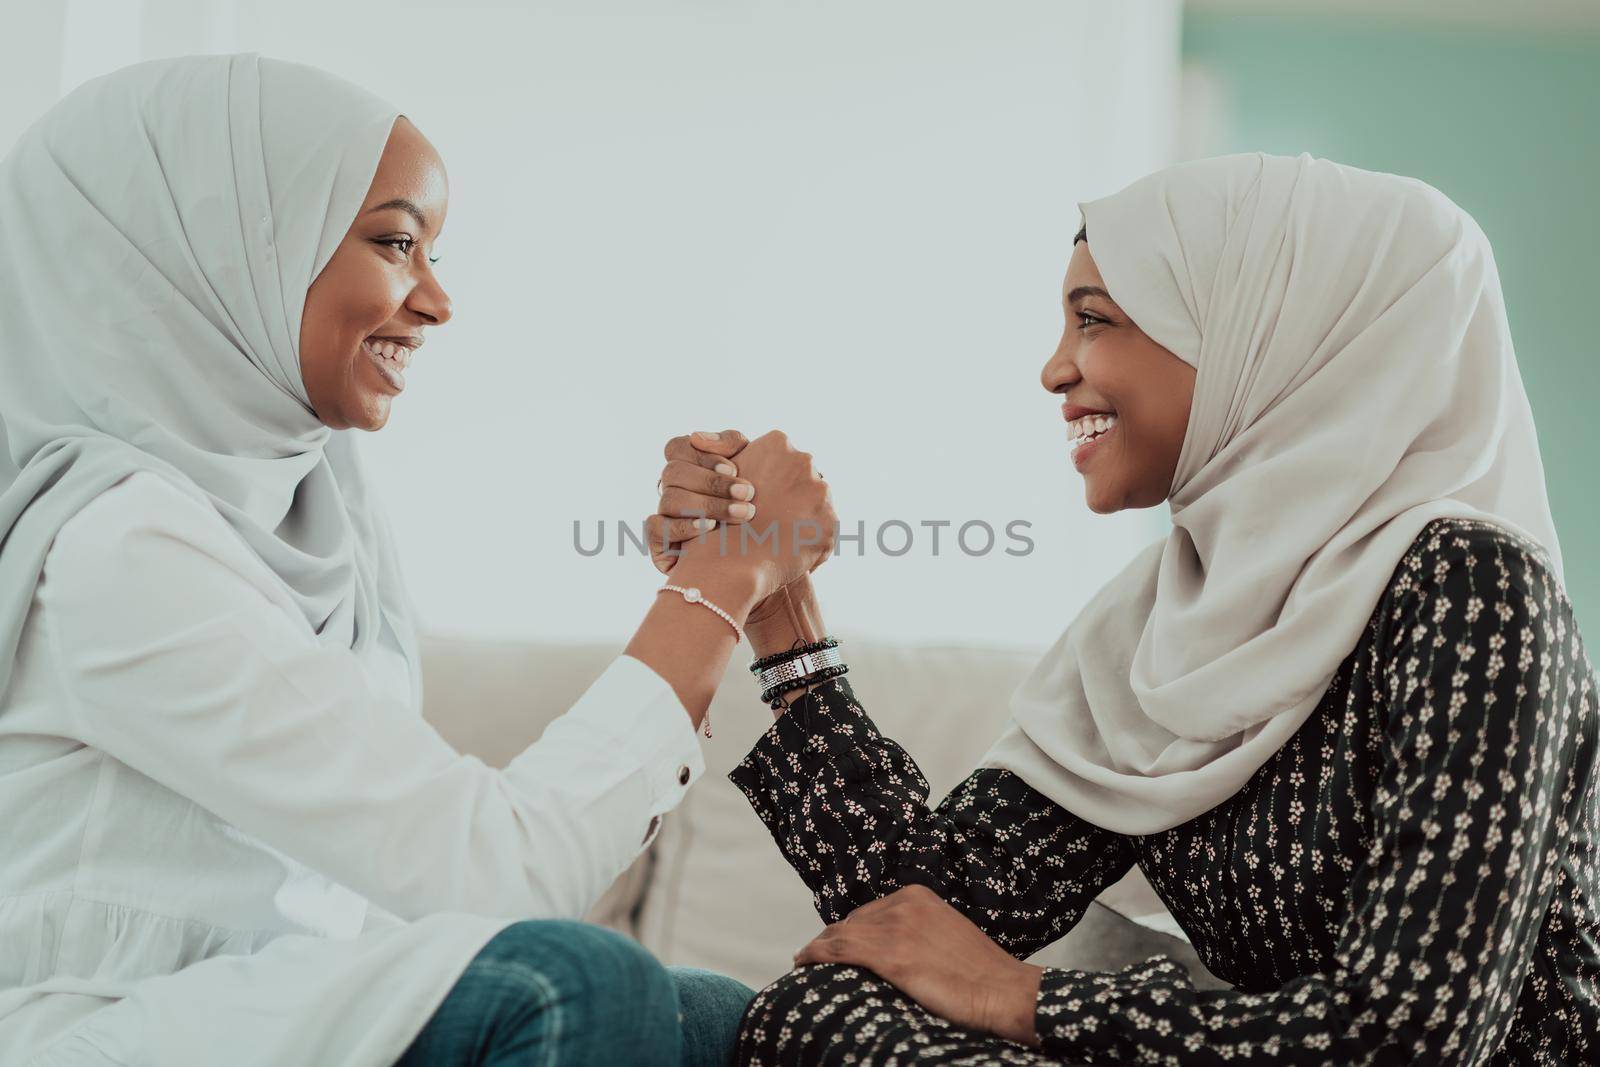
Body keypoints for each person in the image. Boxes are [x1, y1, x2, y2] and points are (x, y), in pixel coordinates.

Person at [654, 152, 1600, 1063]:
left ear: (1256, 332)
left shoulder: (1471, 586)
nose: (1054, 370)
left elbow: (1415, 1034)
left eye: (1094, 319)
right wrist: (773, 598)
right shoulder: (1166, 626)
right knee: (820, 1015)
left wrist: (1029, 1000)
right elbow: (918, 918)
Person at [0, 53, 832, 1066]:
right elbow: (495, 871)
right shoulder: (113, 543)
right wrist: (715, 584)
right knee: (576, 979)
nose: (437, 300)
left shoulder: (318, 511)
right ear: (224, 251)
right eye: (397, 242)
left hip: (269, 1011)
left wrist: (744, 581)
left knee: (723, 1014)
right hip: (105, 1027)